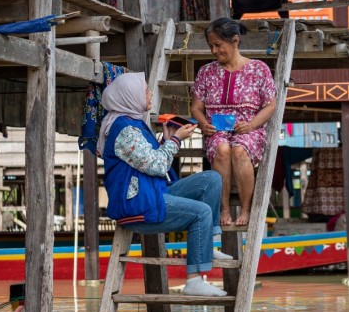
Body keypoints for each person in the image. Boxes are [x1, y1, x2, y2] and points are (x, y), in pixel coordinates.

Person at [98, 72, 228, 297]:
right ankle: (194, 280)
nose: (149, 94)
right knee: (201, 212)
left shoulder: (135, 122)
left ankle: (206, 244)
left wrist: (166, 140)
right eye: (144, 90)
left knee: (211, 179)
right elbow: (157, 165)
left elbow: (147, 158)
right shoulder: (125, 130)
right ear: (130, 97)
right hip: (139, 206)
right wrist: (176, 140)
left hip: (153, 193)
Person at [191, 17, 277, 227]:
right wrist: (203, 124)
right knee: (222, 149)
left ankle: (246, 209)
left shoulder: (259, 69)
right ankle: (224, 207)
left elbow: (270, 105)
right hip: (216, 131)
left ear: (235, 41)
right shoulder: (206, 72)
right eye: (211, 46)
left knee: (239, 150)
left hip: (249, 129)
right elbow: (196, 107)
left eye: (218, 45)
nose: (213, 50)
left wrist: (251, 125)